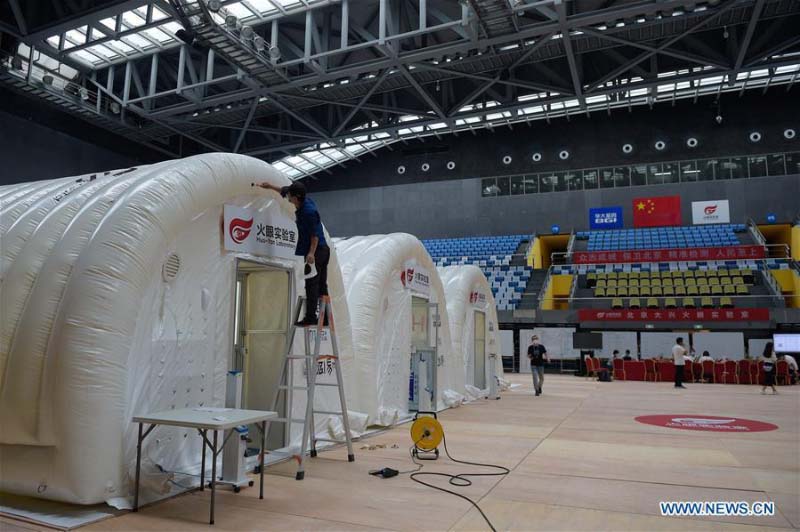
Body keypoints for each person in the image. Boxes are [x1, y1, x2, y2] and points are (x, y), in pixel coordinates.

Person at [257, 180, 329, 326]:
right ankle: (326, 318)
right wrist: (269, 186)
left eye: (290, 195)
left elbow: (314, 236)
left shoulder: (309, 212)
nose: (287, 196)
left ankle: (311, 317)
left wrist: (311, 253)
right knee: (321, 285)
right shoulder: (302, 200)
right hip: (321, 249)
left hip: (317, 250)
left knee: (312, 284)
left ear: (296, 197)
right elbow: (283, 190)